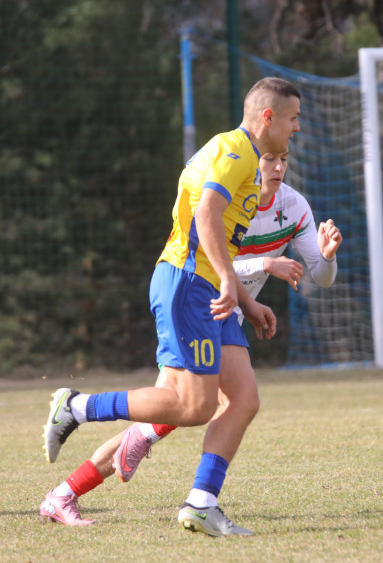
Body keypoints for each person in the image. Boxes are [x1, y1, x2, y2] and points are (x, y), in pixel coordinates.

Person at [41, 78, 302, 535]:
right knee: (192, 407)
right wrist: (227, 280)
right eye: (294, 118)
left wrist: (245, 300)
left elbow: (218, 233)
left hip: (207, 289)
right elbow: (204, 218)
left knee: (242, 399)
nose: (297, 128)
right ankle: (78, 407)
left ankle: (201, 502)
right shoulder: (236, 152)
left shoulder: (242, 160)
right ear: (268, 118)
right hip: (188, 284)